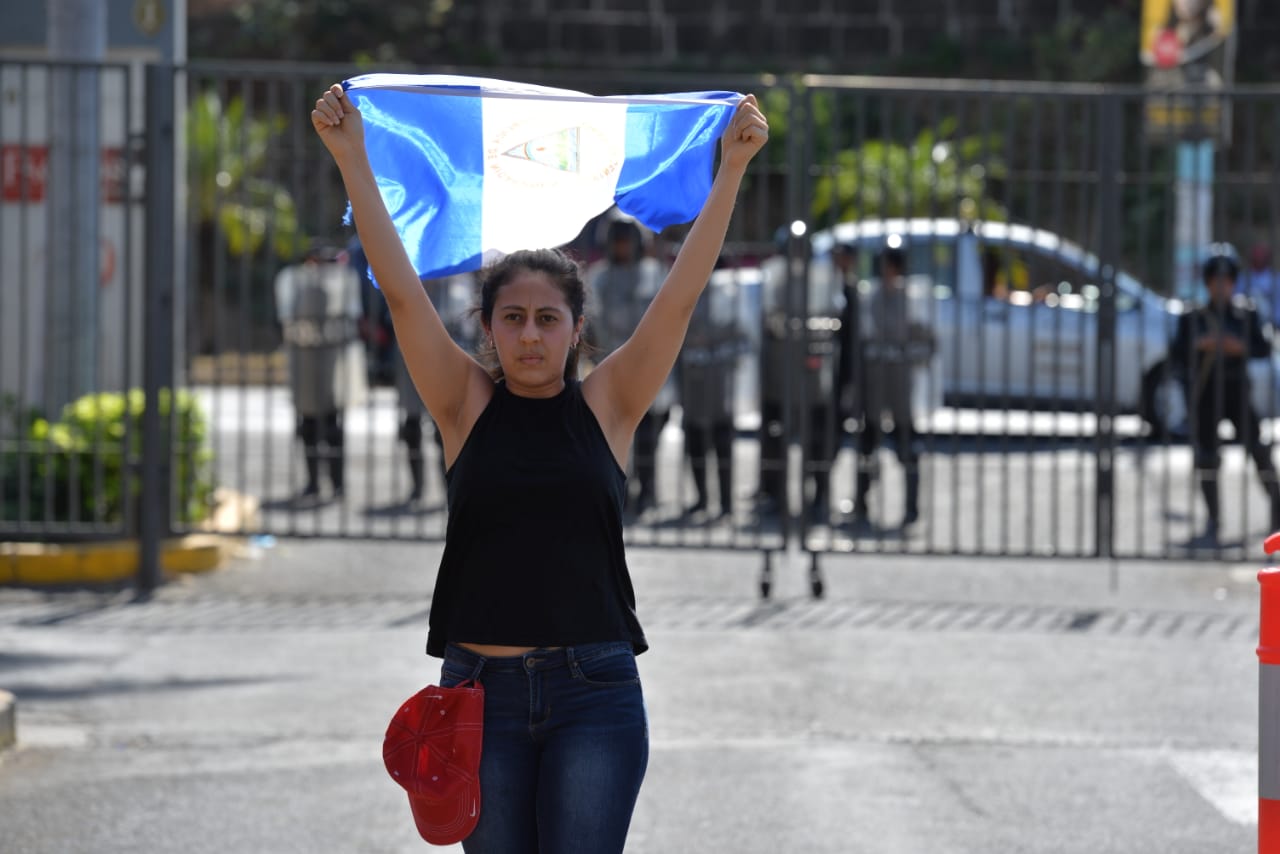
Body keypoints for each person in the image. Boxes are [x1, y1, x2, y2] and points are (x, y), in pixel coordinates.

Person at [311, 84, 767, 853]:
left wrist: (731, 171)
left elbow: (680, 300)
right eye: (513, 318)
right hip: (479, 701)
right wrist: (351, 157)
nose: (530, 335)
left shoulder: (610, 404)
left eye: (547, 318)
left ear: (575, 329)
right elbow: (398, 291)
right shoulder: (464, 405)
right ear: (486, 327)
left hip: (595, 696)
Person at [1170, 247, 1280, 545]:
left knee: (1258, 449)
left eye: (1227, 280)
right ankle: (1214, 518)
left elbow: (1262, 348)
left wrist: (1237, 346)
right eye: (1216, 280)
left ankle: (1278, 511)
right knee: (1207, 456)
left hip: (1237, 391)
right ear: (1207, 283)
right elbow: (1177, 354)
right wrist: (1201, 345)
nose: (1222, 286)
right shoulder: (1194, 316)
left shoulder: (1246, 313)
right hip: (1205, 392)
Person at [586, 216, 672, 516]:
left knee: (649, 436)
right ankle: (616, 492)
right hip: (609, 367)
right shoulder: (598, 278)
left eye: (627, 240)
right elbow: (590, 324)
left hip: (648, 367)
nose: (622, 246)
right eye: (617, 240)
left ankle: (646, 491)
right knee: (611, 437)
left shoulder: (655, 274)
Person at [273, 241, 366, 500]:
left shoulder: (343, 282)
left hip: (333, 367)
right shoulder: (293, 282)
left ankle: (337, 484)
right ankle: (313, 483)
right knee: (308, 428)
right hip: (305, 366)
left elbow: (352, 319)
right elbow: (285, 319)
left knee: (334, 429)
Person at [851, 246, 934, 528]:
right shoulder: (870, 296)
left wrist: (907, 352)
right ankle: (861, 501)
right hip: (875, 383)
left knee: (907, 448)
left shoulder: (912, 298)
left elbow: (926, 339)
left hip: (900, 384)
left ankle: (911, 507)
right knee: (867, 447)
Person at [678, 266, 744, 519]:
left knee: (722, 441)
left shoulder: (729, 294)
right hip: (692, 379)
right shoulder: (684, 293)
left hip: (719, 381)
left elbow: (740, 336)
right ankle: (702, 498)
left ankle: (727, 502)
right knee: (695, 441)